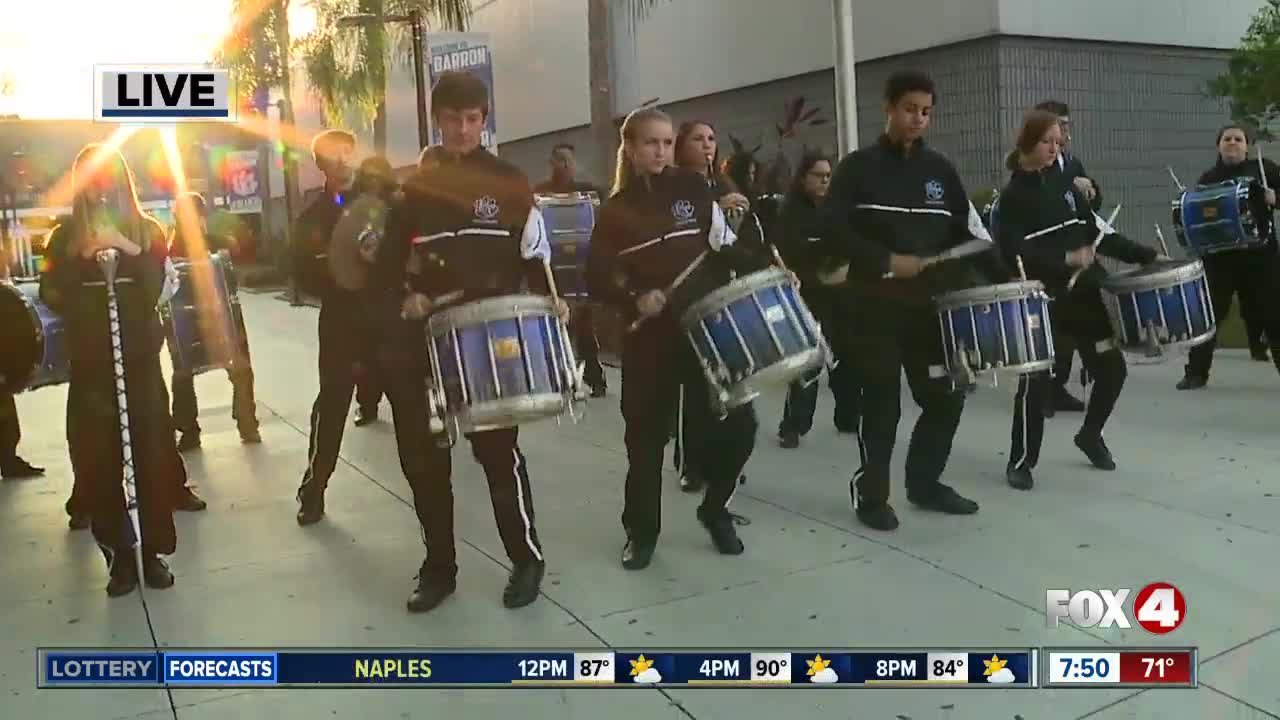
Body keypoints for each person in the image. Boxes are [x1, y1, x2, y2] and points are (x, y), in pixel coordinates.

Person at [370, 71, 565, 613]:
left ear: (484, 120)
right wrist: (405, 296)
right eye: (452, 119)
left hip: (489, 340)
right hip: (425, 343)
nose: (461, 129)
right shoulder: (413, 192)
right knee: (425, 463)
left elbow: (535, 258)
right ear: (438, 120)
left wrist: (551, 298)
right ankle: (439, 569)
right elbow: (387, 267)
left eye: (472, 119)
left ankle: (526, 559)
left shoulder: (508, 180)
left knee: (499, 455)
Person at [817, 71, 1010, 531]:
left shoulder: (940, 170)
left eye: (925, 111)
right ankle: (872, 493)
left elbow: (970, 234)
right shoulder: (857, 168)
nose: (917, 119)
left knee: (945, 398)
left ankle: (924, 483)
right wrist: (885, 258)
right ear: (888, 107)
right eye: (909, 109)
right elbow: (833, 229)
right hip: (873, 307)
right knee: (882, 405)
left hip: (930, 310)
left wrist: (1009, 282)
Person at [587, 105, 758, 570]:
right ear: (630, 148)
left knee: (740, 426)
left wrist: (764, 266)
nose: (660, 150)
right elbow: (598, 277)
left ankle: (716, 508)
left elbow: (721, 246)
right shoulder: (615, 211)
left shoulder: (693, 189)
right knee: (644, 443)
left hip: (705, 331)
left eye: (666, 142)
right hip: (649, 342)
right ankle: (641, 534)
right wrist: (635, 294)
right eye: (650, 142)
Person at [39, 144, 178, 595]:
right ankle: (119, 554)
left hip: (138, 361)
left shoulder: (149, 230)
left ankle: (152, 552)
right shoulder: (63, 238)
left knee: (151, 455)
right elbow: (51, 293)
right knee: (98, 460)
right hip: (92, 367)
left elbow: (157, 287)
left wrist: (125, 247)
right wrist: (82, 257)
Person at [996, 111, 1161, 490]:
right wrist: (1064, 260)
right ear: (1026, 144)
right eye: (1046, 142)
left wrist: (1146, 255)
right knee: (1035, 384)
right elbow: (1011, 252)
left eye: (1059, 143)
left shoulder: (1068, 186)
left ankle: (1090, 434)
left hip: (1085, 295)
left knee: (1111, 368)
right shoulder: (1012, 198)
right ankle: (1020, 461)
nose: (1055, 149)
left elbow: (1097, 234)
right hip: (1044, 302)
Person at [293, 133, 384, 526]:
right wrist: (337, 272)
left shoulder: (386, 202)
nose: (342, 161)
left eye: (347, 152)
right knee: (332, 405)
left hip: (387, 317)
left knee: (414, 409)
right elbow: (300, 272)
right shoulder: (312, 218)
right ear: (321, 166)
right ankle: (314, 488)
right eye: (332, 157)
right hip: (341, 320)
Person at [669, 120, 751, 493]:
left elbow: (741, 240)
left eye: (712, 139)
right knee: (696, 384)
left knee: (730, 382)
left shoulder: (724, 185)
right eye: (697, 139)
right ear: (681, 147)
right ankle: (691, 462)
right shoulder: (676, 188)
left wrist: (739, 216)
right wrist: (715, 209)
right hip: (689, 295)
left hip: (723, 290)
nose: (707, 145)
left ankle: (725, 459)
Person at [1177, 124, 1280, 389]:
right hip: (1220, 259)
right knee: (1209, 315)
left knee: (1273, 314)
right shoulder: (1208, 178)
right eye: (1227, 139)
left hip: (1260, 257)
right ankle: (1196, 373)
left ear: (1247, 146)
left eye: (1238, 139)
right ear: (1218, 146)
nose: (1232, 143)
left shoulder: (1264, 169)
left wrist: (1275, 198)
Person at [772, 151, 858, 448]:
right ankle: (793, 426)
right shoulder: (791, 212)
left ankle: (848, 417)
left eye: (828, 176)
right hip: (807, 296)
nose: (825, 181)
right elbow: (790, 250)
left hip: (840, 295)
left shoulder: (835, 209)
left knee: (846, 357)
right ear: (803, 178)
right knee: (808, 363)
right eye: (818, 175)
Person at [166, 191, 261, 450]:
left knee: (236, 368)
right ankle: (194, 429)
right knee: (185, 372)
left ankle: (243, 422)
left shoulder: (211, 242)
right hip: (190, 318)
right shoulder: (175, 248)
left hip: (220, 316)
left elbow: (236, 256)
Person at [1034, 100, 1101, 417]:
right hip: (1050, 261)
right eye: (1059, 124)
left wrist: (1091, 191)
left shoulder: (1072, 163)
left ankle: (1060, 385)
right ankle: (1043, 390)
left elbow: (1089, 207)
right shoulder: (1034, 163)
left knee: (1076, 329)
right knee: (1053, 327)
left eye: (1067, 125)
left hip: (1078, 256)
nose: (1065, 131)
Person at [534, 143, 608, 397]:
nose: (564, 165)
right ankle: (559, 379)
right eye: (559, 160)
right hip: (553, 273)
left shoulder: (589, 192)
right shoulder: (538, 194)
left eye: (568, 160)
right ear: (551, 163)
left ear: (574, 163)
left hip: (581, 270)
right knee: (555, 330)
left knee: (586, 330)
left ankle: (594, 378)